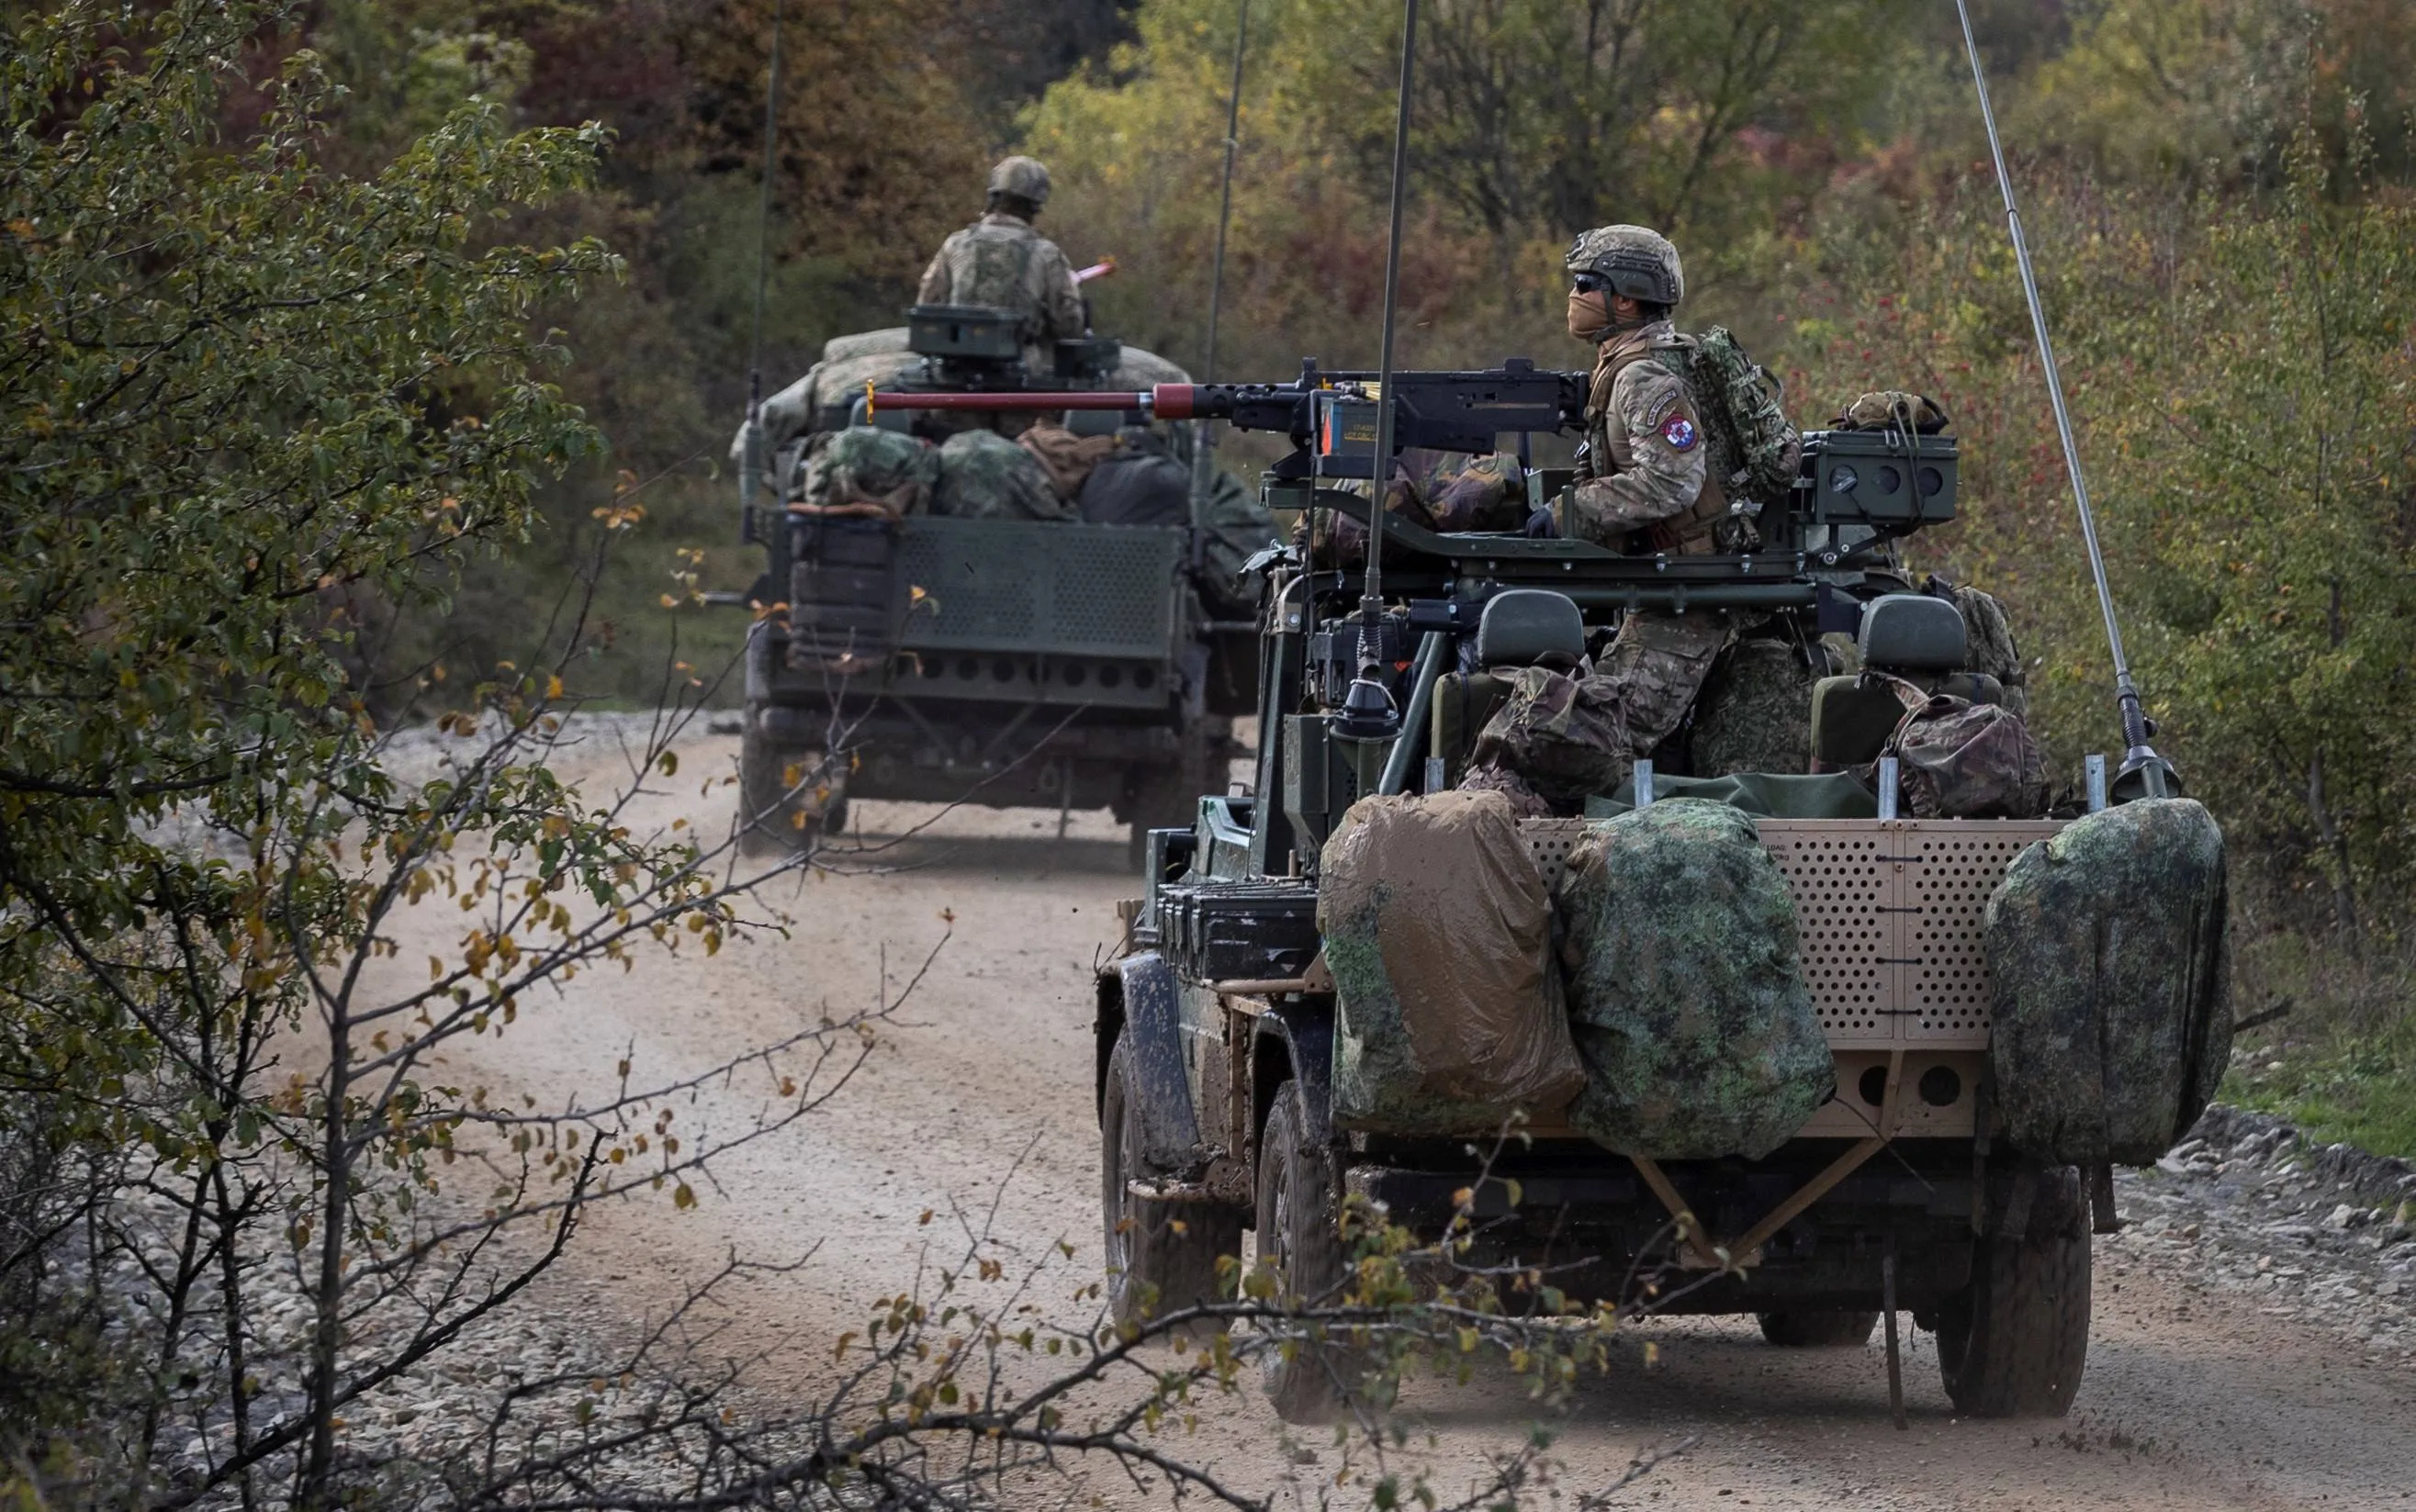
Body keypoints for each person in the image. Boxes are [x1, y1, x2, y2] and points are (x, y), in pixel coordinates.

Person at [1534, 223, 1735, 761]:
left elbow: (1673, 481)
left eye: (1585, 284)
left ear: (1625, 298)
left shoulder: (1643, 376)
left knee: (1591, 745)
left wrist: (1569, 513)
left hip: (1686, 599)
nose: (1574, 296)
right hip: (1663, 583)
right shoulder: (1632, 364)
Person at [916, 155, 1087, 370]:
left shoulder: (956, 243)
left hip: (954, 369)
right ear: (1036, 206)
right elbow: (1069, 326)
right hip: (1020, 373)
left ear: (993, 197)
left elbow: (926, 305)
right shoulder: (1046, 253)